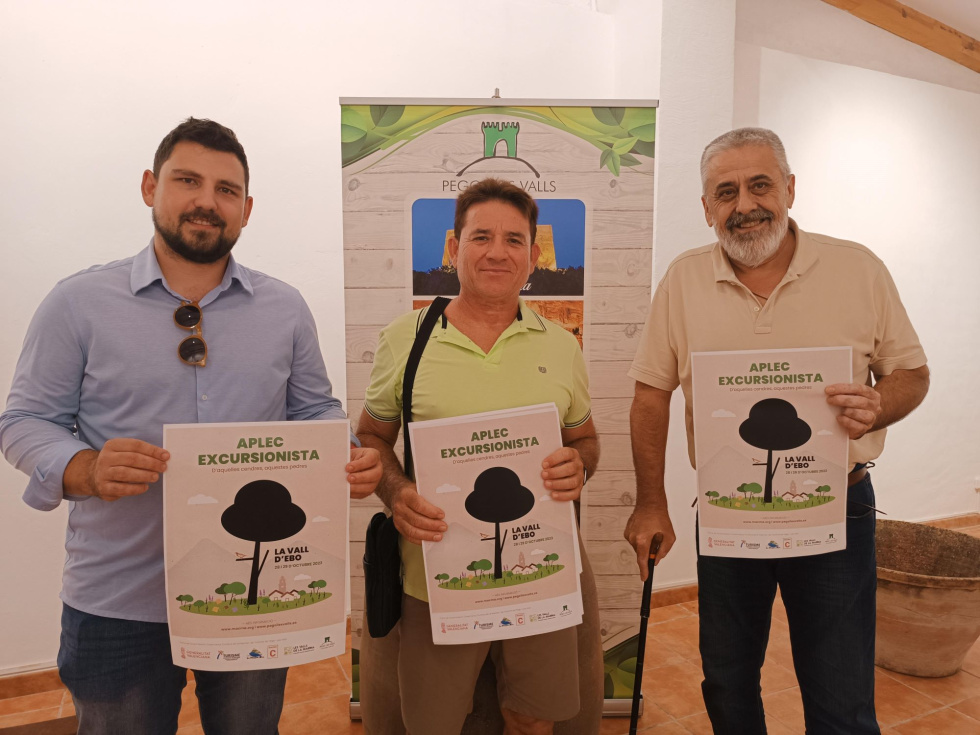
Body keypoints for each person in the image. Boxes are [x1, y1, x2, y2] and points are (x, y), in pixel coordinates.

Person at [0, 118, 382, 735]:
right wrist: (84, 468)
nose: (207, 200)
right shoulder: (77, 303)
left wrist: (345, 449)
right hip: (119, 598)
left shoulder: (285, 309)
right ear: (150, 187)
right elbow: (25, 420)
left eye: (227, 190)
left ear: (246, 209)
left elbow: (314, 409)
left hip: (253, 596)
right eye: (187, 180)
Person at [625, 128, 929, 734]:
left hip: (836, 508)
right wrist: (651, 502)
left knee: (841, 692)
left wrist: (876, 404)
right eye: (726, 192)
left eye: (760, 185)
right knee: (728, 680)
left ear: (790, 189)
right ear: (706, 207)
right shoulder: (683, 280)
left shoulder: (858, 269)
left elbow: (912, 374)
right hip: (727, 513)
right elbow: (651, 393)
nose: (745, 205)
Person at [356, 178, 603, 735]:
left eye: (514, 240)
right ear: (454, 248)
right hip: (434, 575)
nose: (498, 252)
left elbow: (585, 441)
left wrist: (580, 465)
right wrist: (396, 491)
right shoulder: (405, 339)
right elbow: (371, 437)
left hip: (538, 569)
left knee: (533, 718)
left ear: (533, 257)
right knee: (433, 725)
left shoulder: (562, 345)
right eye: (481, 237)